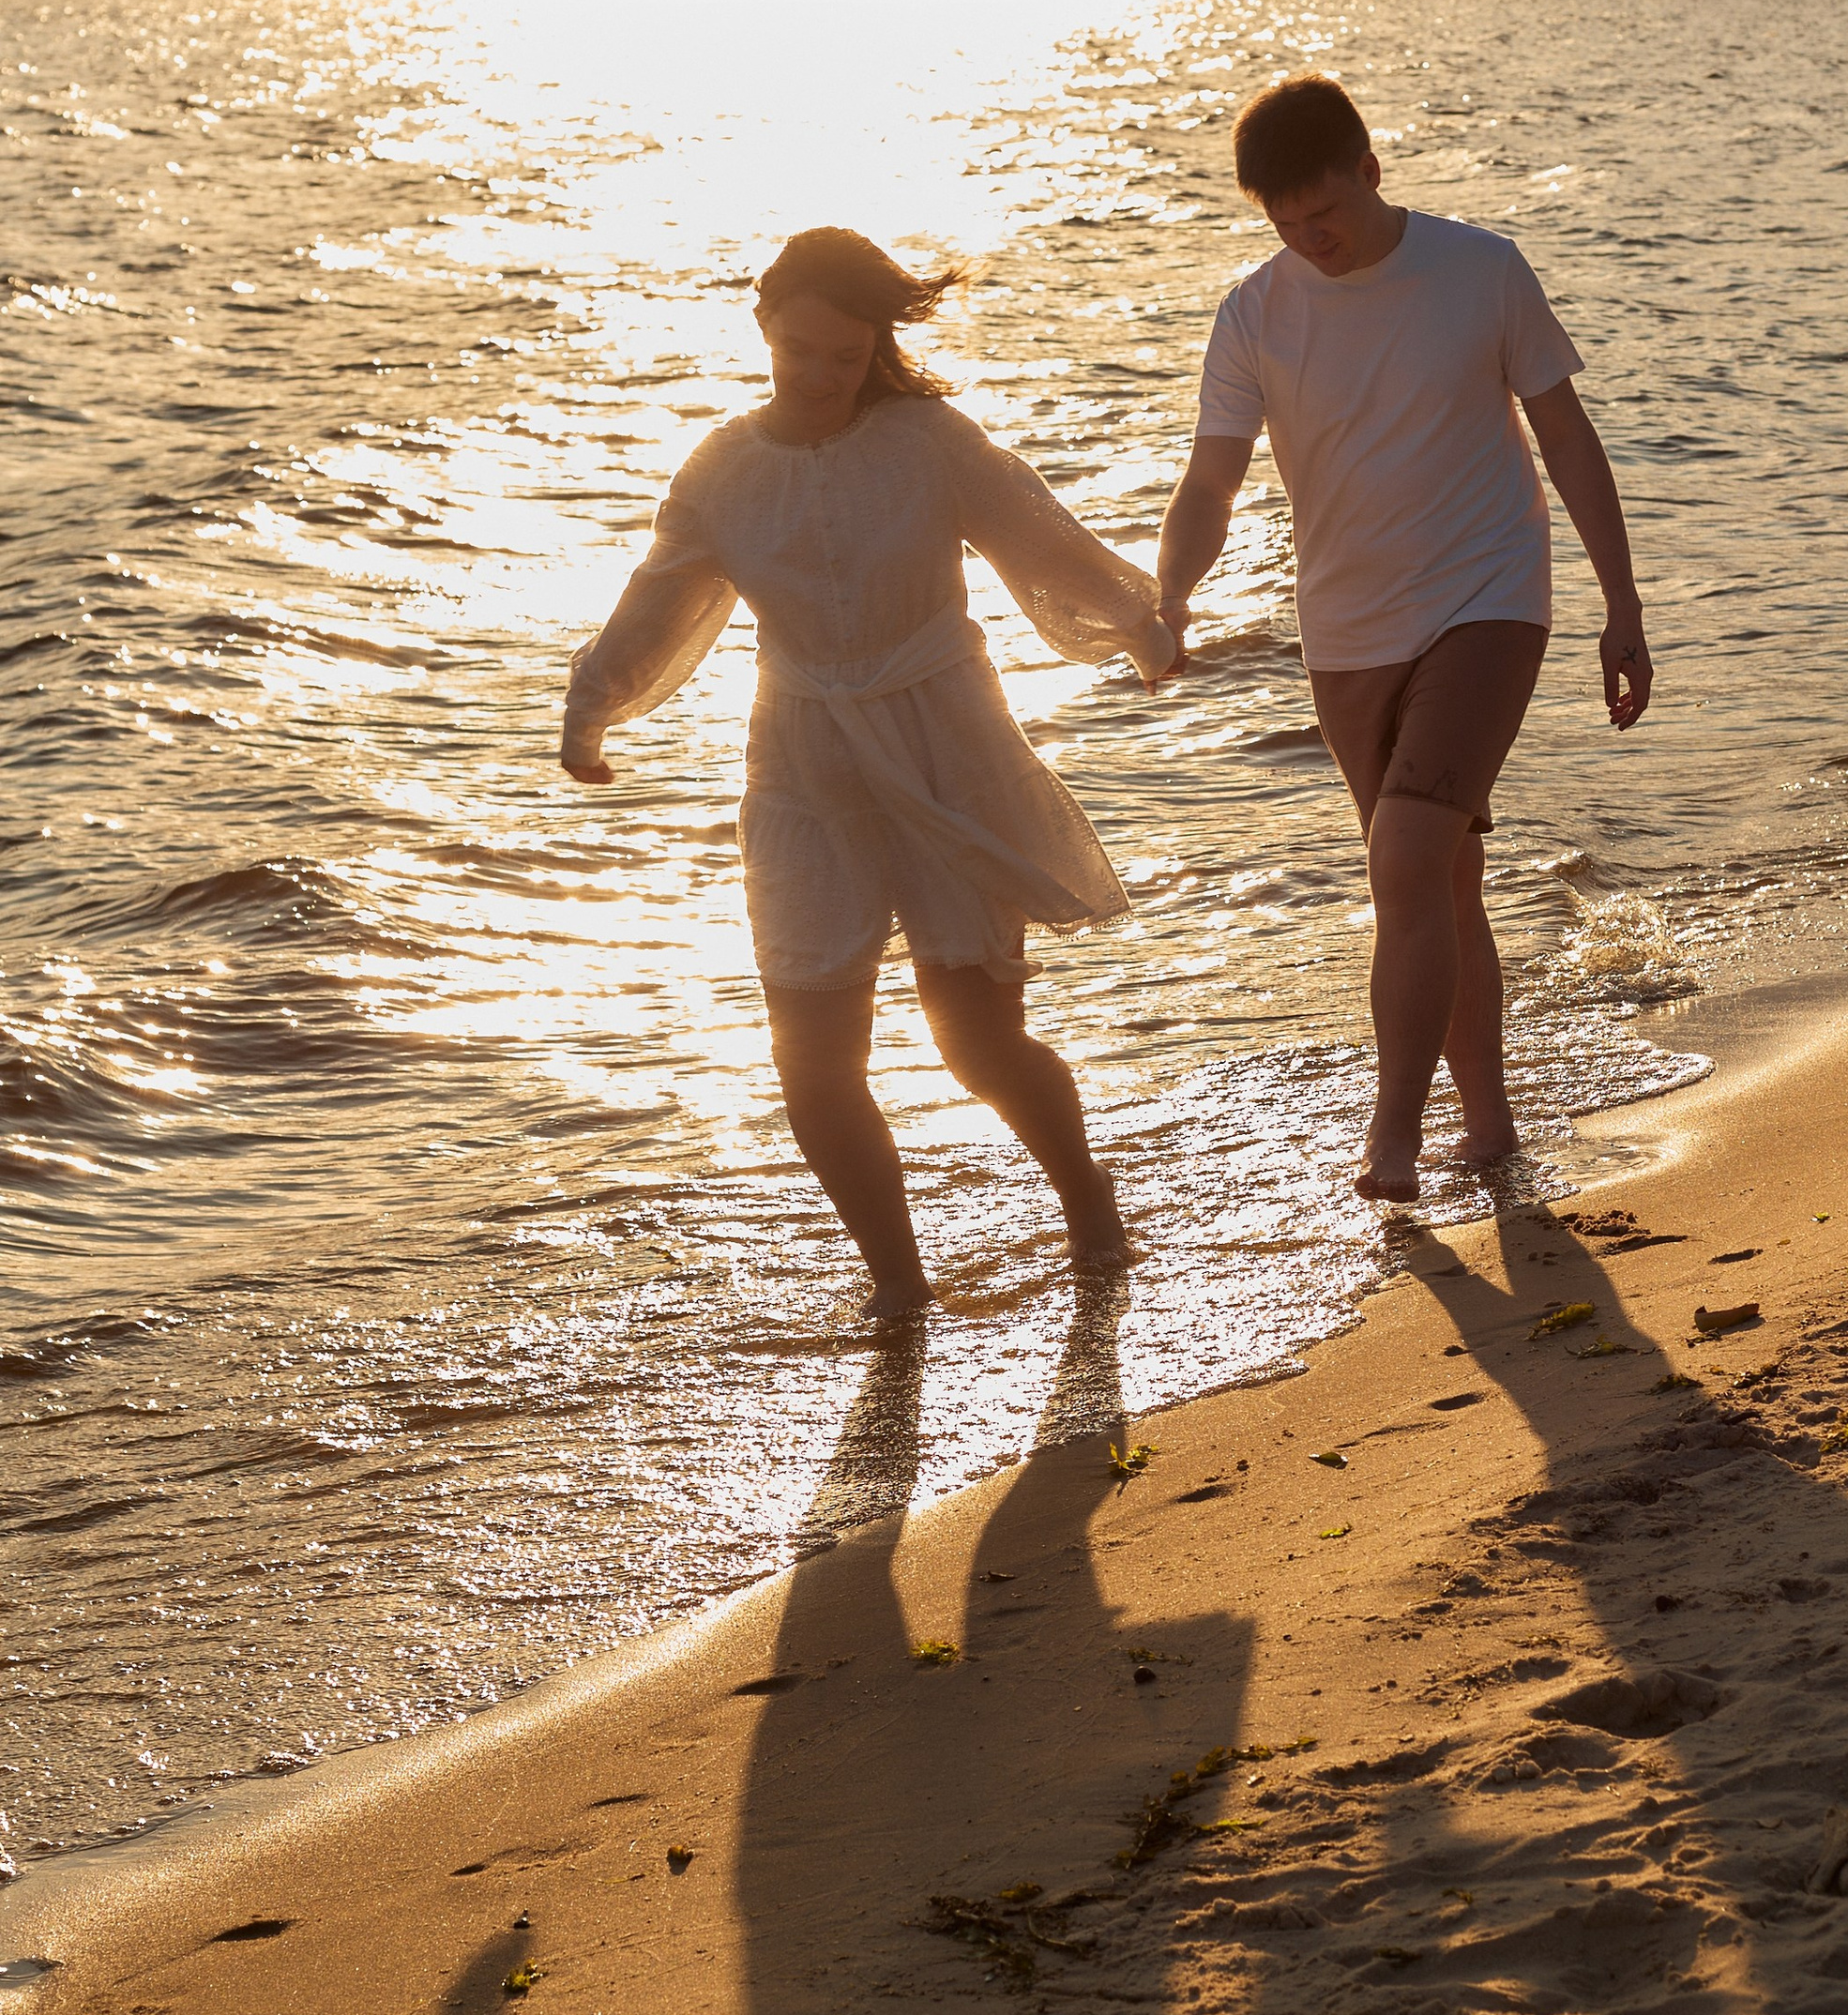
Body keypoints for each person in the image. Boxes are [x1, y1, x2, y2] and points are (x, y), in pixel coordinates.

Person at [560, 228, 1176, 1324]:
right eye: (800, 349)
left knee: (978, 1042)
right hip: (804, 769)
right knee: (811, 1056)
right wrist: (591, 711)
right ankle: (898, 1283)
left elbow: (1043, 538)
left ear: (872, 350)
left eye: (844, 357)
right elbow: (657, 601)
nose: (819, 375)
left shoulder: (928, 443)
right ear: (764, 329)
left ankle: (1090, 1210)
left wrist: (1137, 623)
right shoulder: (721, 472)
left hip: (947, 749)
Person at [1156, 74, 1651, 1204]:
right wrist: (1173, 595)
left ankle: (1391, 1136)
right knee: (1436, 881)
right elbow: (1210, 479)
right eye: (1283, 226)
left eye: (1321, 214)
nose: (1308, 241)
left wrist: (1621, 605)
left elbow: (1567, 440)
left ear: (1371, 172)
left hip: (1488, 597)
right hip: (1346, 627)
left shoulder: (1480, 271)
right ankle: (1488, 1122)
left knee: (1408, 855)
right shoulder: (1254, 312)